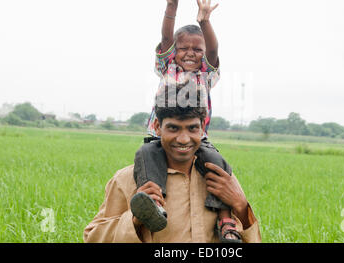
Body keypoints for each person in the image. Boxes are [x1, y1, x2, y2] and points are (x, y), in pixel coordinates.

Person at [131, 0, 239, 242]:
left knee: (218, 165)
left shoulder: (206, 75)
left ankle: (226, 220)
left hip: (197, 138)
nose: (190, 53)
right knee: (146, 155)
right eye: (183, 48)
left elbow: (214, 49)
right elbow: (166, 37)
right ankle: (153, 204)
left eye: (197, 49)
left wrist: (205, 22)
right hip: (160, 137)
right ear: (173, 52)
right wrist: (171, 9)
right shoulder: (167, 68)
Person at [83, 84, 261, 243]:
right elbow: (92, 238)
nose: (183, 139)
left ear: (202, 128)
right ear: (157, 127)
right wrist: (135, 219)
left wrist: (241, 206)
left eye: (192, 128)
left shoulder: (221, 179)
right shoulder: (127, 180)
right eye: (173, 128)